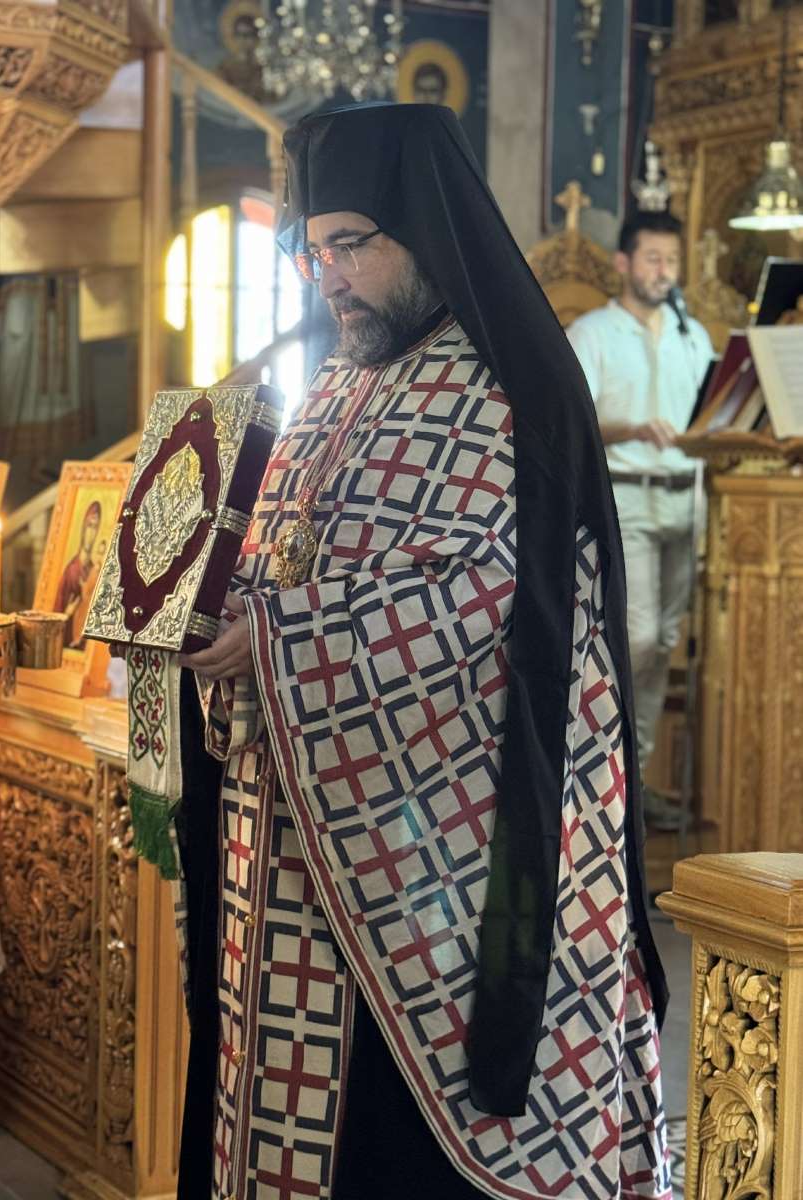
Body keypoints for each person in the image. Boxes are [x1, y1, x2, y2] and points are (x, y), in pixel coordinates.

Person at [173, 103, 670, 1200]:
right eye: (313, 252)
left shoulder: (509, 395)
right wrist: (198, 606)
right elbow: (281, 555)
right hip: (295, 841)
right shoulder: (336, 385)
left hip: (442, 866)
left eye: (352, 245)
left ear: (426, 229)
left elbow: (494, 600)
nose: (330, 278)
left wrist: (281, 638)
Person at [567, 212, 713, 829]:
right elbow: (569, 420)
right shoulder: (593, 332)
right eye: (653, 259)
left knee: (666, 643)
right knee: (641, 637)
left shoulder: (692, 335)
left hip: (689, 499)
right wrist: (630, 428)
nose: (664, 272)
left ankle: (638, 778)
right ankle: (604, 771)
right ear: (623, 263)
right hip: (627, 497)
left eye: (672, 261)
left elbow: (711, 413)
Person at [53, 499, 101, 648]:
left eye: (95, 527)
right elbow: (56, 613)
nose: (91, 533)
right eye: (89, 526)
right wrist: (66, 614)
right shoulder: (70, 570)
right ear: (83, 528)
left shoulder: (94, 569)